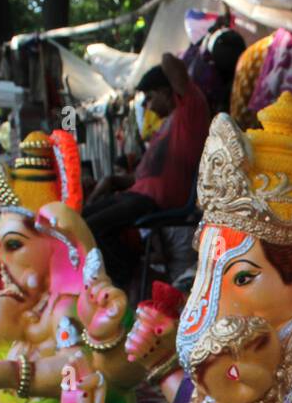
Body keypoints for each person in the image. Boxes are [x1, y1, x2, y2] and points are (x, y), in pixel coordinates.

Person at [82, 52, 210, 285]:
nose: (147, 105)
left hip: (157, 201)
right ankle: (128, 271)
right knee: (80, 220)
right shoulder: (164, 127)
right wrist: (110, 181)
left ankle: (124, 277)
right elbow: (142, 178)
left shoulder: (189, 112)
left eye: (150, 97)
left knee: (90, 228)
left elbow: (168, 60)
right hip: (138, 195)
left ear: (165, 92)